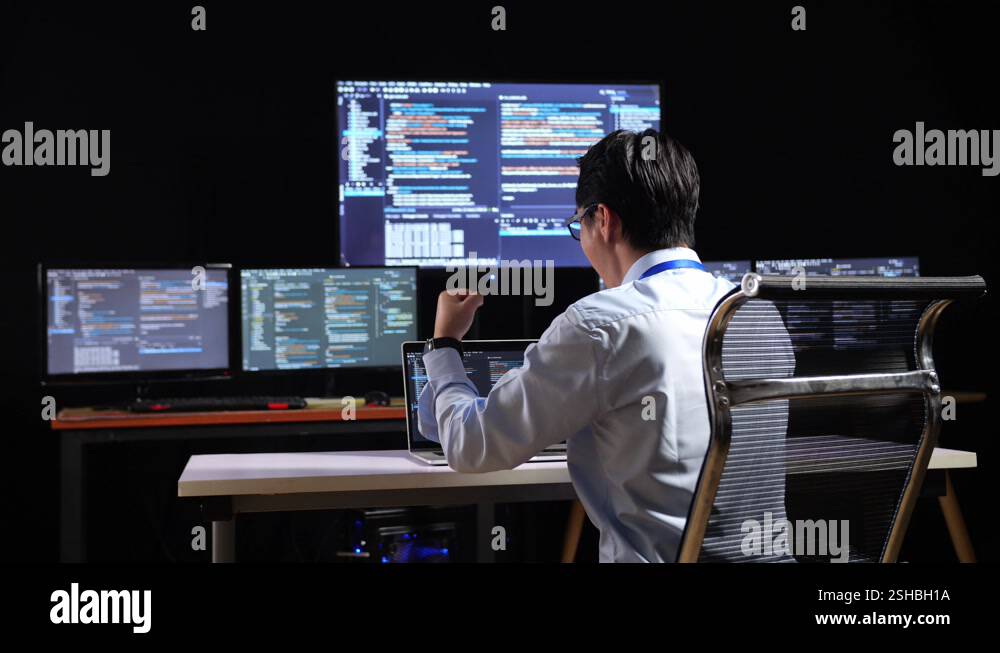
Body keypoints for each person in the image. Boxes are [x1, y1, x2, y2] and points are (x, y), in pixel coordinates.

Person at [417, 128, 735, 562]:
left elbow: (468, 446)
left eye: (577, 226)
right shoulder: (753, 314)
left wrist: (444, 344)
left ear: (603, 220)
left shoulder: (599, 325)